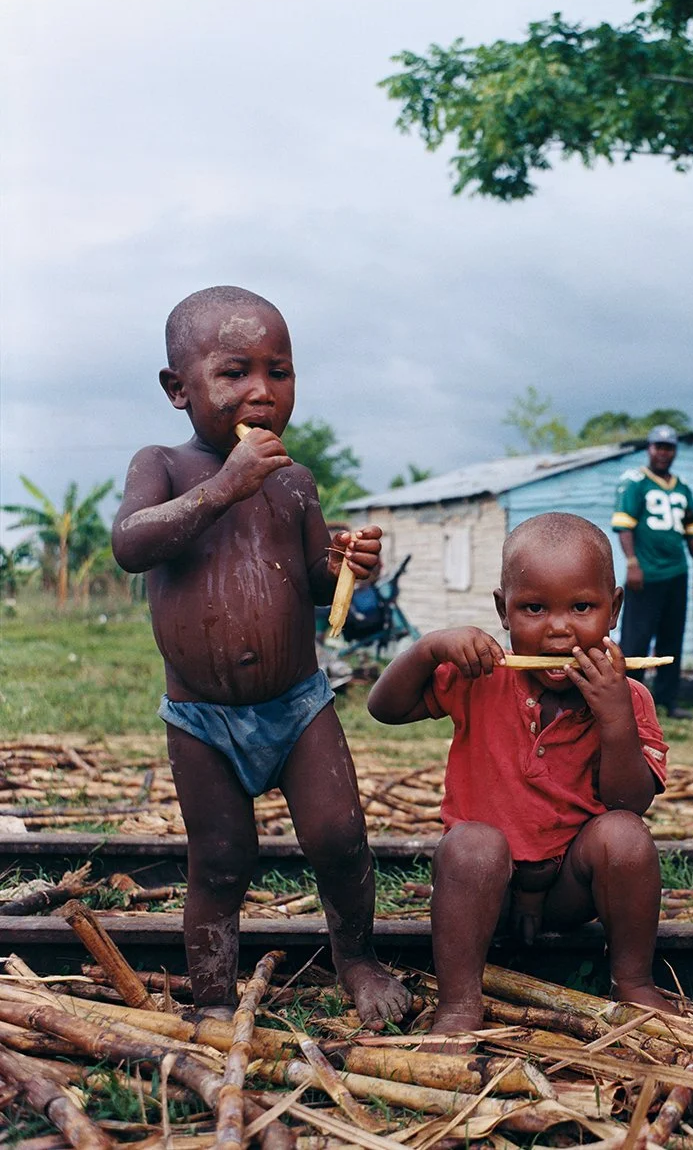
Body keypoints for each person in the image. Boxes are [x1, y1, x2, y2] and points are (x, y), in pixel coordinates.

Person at [112, 285, 411, 1027]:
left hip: (297, 706)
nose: (262, 391)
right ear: (178, 389)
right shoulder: (166, 467)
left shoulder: (295, 482)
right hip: (201, 720)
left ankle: (357, 958)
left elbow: (309, 582)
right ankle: (213, 1000)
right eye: (235, 371)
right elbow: (130, 543)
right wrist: (222, 488)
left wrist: (345, 562)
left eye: (280, 371)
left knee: (341, 839)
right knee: (219, 860)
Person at [368, 512, 675, 1039]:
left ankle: (634, 982)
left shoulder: (630, 698)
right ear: (502, 611)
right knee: (471, 847)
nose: (558, 628)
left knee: (625, 837)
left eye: (582, 607)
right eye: (534, 608)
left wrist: (616, 716)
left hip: (570, 891)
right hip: (487, 887)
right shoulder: (479, 678)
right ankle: (459, 1005)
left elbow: (631, 802)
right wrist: (428, 649)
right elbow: (384, 708)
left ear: (615, 608)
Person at [612, 425, 693, 719]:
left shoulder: (682, 486)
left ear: (674, 451)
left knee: (671, 639)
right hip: (646, 573)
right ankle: (627, 699)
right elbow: (624, 525)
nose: (663, 453)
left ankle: (667, 700)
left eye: (668, 448)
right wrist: (632, 562)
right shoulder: (635, 482)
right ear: (648, 449)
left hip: (677, 571)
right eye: (658, 447)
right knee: (636, 640)